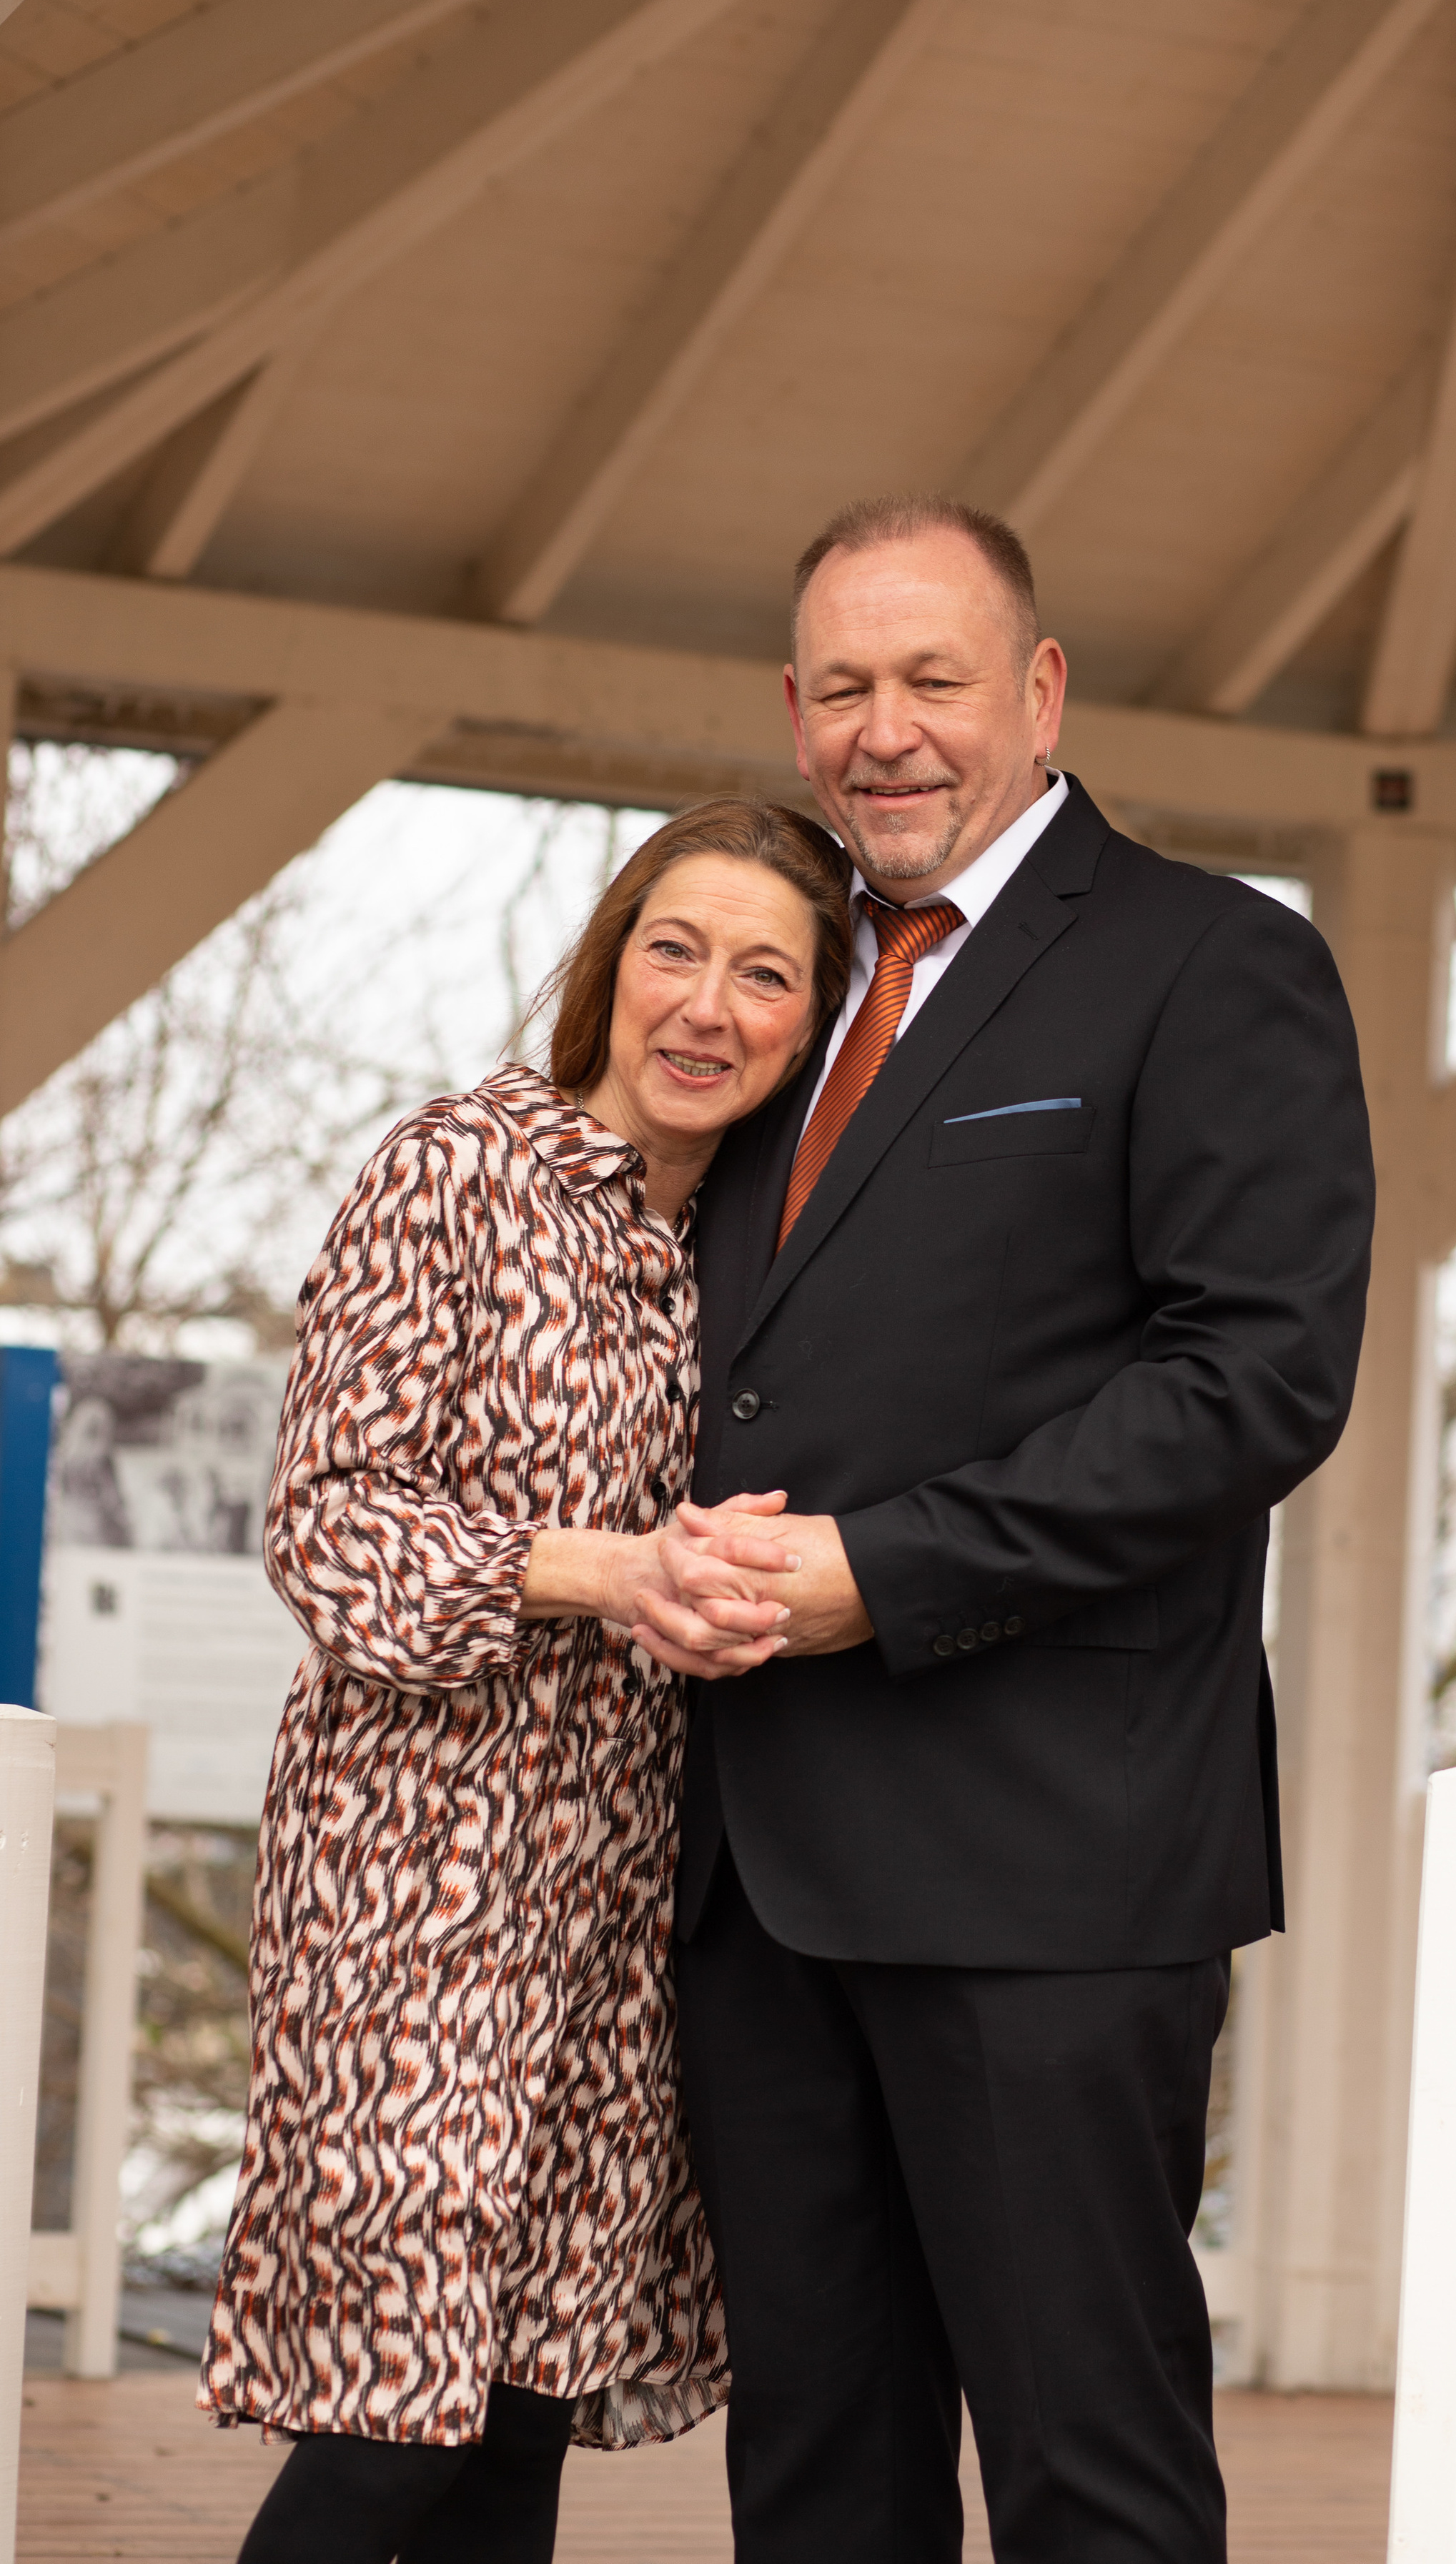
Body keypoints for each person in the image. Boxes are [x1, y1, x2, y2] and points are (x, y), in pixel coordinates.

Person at [653, 497, 1376, 2564]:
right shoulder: (772, 997)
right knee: (817, 2489)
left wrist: (882, 1573)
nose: (889, 732)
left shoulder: (1214, 963)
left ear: (1040, 692)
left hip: (1055, 1877)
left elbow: (1255, 1383)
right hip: (756, 1880)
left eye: (935, 681)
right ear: (798, 713)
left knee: (1094, 2491)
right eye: (848, 688)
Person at [202, 800, 849, 2564]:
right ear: (608, 964)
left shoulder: (755, 1255)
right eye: (675, 950)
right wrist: (607, 1568)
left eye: (766, 974)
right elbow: (326, 1527)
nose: (708, 1007)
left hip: (623, 1896)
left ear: (815, 1025)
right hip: (412, 1875)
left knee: (514, 2423)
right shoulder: (457, 1168)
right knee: (394, 2415)